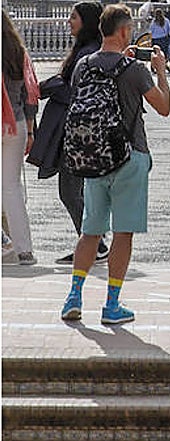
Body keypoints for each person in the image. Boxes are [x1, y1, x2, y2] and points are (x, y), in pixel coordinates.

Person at [60, 2, 170, 325]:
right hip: (129, 156)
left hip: (93, 158)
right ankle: (111, 304)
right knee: (123, 233)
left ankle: (74, 296)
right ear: (124, 32)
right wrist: (160, 71)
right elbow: (162, 107)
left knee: (90, 232)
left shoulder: (83, 65)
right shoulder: (134, 70)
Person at [29, 2, 107, 265]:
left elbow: (71, 88)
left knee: (70, 191)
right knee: (75, 191)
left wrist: (39, 88)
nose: (68, 21)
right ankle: (94, 243)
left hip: (77, 132)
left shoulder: (88, 52)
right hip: (78, 130)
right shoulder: (87, 50)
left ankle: (95, 244)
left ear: (86, 21)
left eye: (73, 17)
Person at [2, 12, 40, 266]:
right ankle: (24, 250)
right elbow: (30, 93)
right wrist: (30, 128)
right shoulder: (18, 52)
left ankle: (4, 241)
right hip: (15, 124)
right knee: (12, 188)